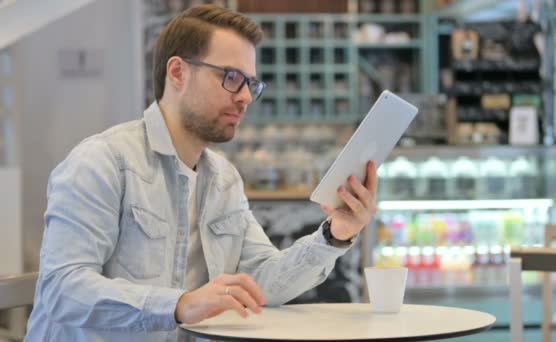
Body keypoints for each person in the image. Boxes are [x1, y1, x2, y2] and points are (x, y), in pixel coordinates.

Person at [25, 4, 378, 341]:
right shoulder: (102, 162)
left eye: (251, 84)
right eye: (231, 77)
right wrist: (179, 305)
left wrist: (334, 235)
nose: (244, 97)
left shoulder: (224, 179)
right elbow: (62, 289)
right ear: (177, 72)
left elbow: (263, 283)